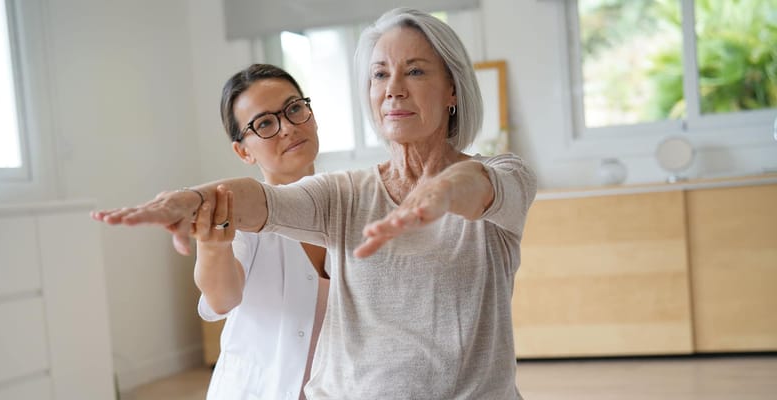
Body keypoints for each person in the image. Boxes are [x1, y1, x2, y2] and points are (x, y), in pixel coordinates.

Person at [92, 8, 537, 399]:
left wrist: (441, 191)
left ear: (452, 89)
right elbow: (259, 201)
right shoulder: (342, 193)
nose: (394, 89)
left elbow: (480, 186)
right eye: (380, 74)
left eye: (415, 71)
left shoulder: (506, 174)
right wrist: (191, 199)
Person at [190, 64, 329, 400]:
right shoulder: (242, 221)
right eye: (264, 123)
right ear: (243, 151)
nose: (288, 128)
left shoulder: (350, 204)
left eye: (294, 108)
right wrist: (211, 245)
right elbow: (222, 299)